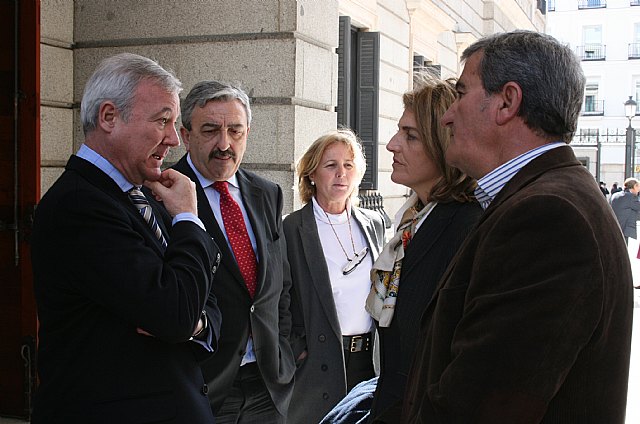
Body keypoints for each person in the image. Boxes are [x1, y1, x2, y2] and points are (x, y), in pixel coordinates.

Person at [395, 31, 633, 423]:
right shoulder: (544, 198)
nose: (447, 115)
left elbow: (482, 406)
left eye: (460, 92)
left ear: (507, 101)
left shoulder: (548, 215)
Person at [30, 53, 222, 423]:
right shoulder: (80, 205)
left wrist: (196, 322)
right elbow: (177, 312)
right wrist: (187, 217)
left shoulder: (144, 192)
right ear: (108, 117)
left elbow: (208, 299)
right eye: (162, 120)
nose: (173, 139)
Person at [173, 80, 295, 423]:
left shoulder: (267, 193)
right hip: (202, 386)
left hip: (269, 385)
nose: (224, 144)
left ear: (248, 132)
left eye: (235, 131)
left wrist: (284, 350)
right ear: (186, 135)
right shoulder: (165, 193)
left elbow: (280, 284)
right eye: (210, 130)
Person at [365, 75, 483, 421]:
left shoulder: (466, 225)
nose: (391, 145)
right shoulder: (414, 219)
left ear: (445, 143)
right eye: (399, 131)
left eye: (410, 135)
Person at [284, 129, 385, 424]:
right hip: (318, 361)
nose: (341, 174)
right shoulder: (292, 229)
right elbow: (278, 297)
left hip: (369, 359)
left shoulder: (374, 224)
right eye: (331, 165)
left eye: (348, 165)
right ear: (312, 174)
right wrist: (296, 349)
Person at [610, 177, 640, 245]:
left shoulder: (615, 195)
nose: (638, 190)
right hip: (624, 228)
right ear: (634, 186)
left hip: (614, 226)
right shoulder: (631, 197)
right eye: (638, 187)